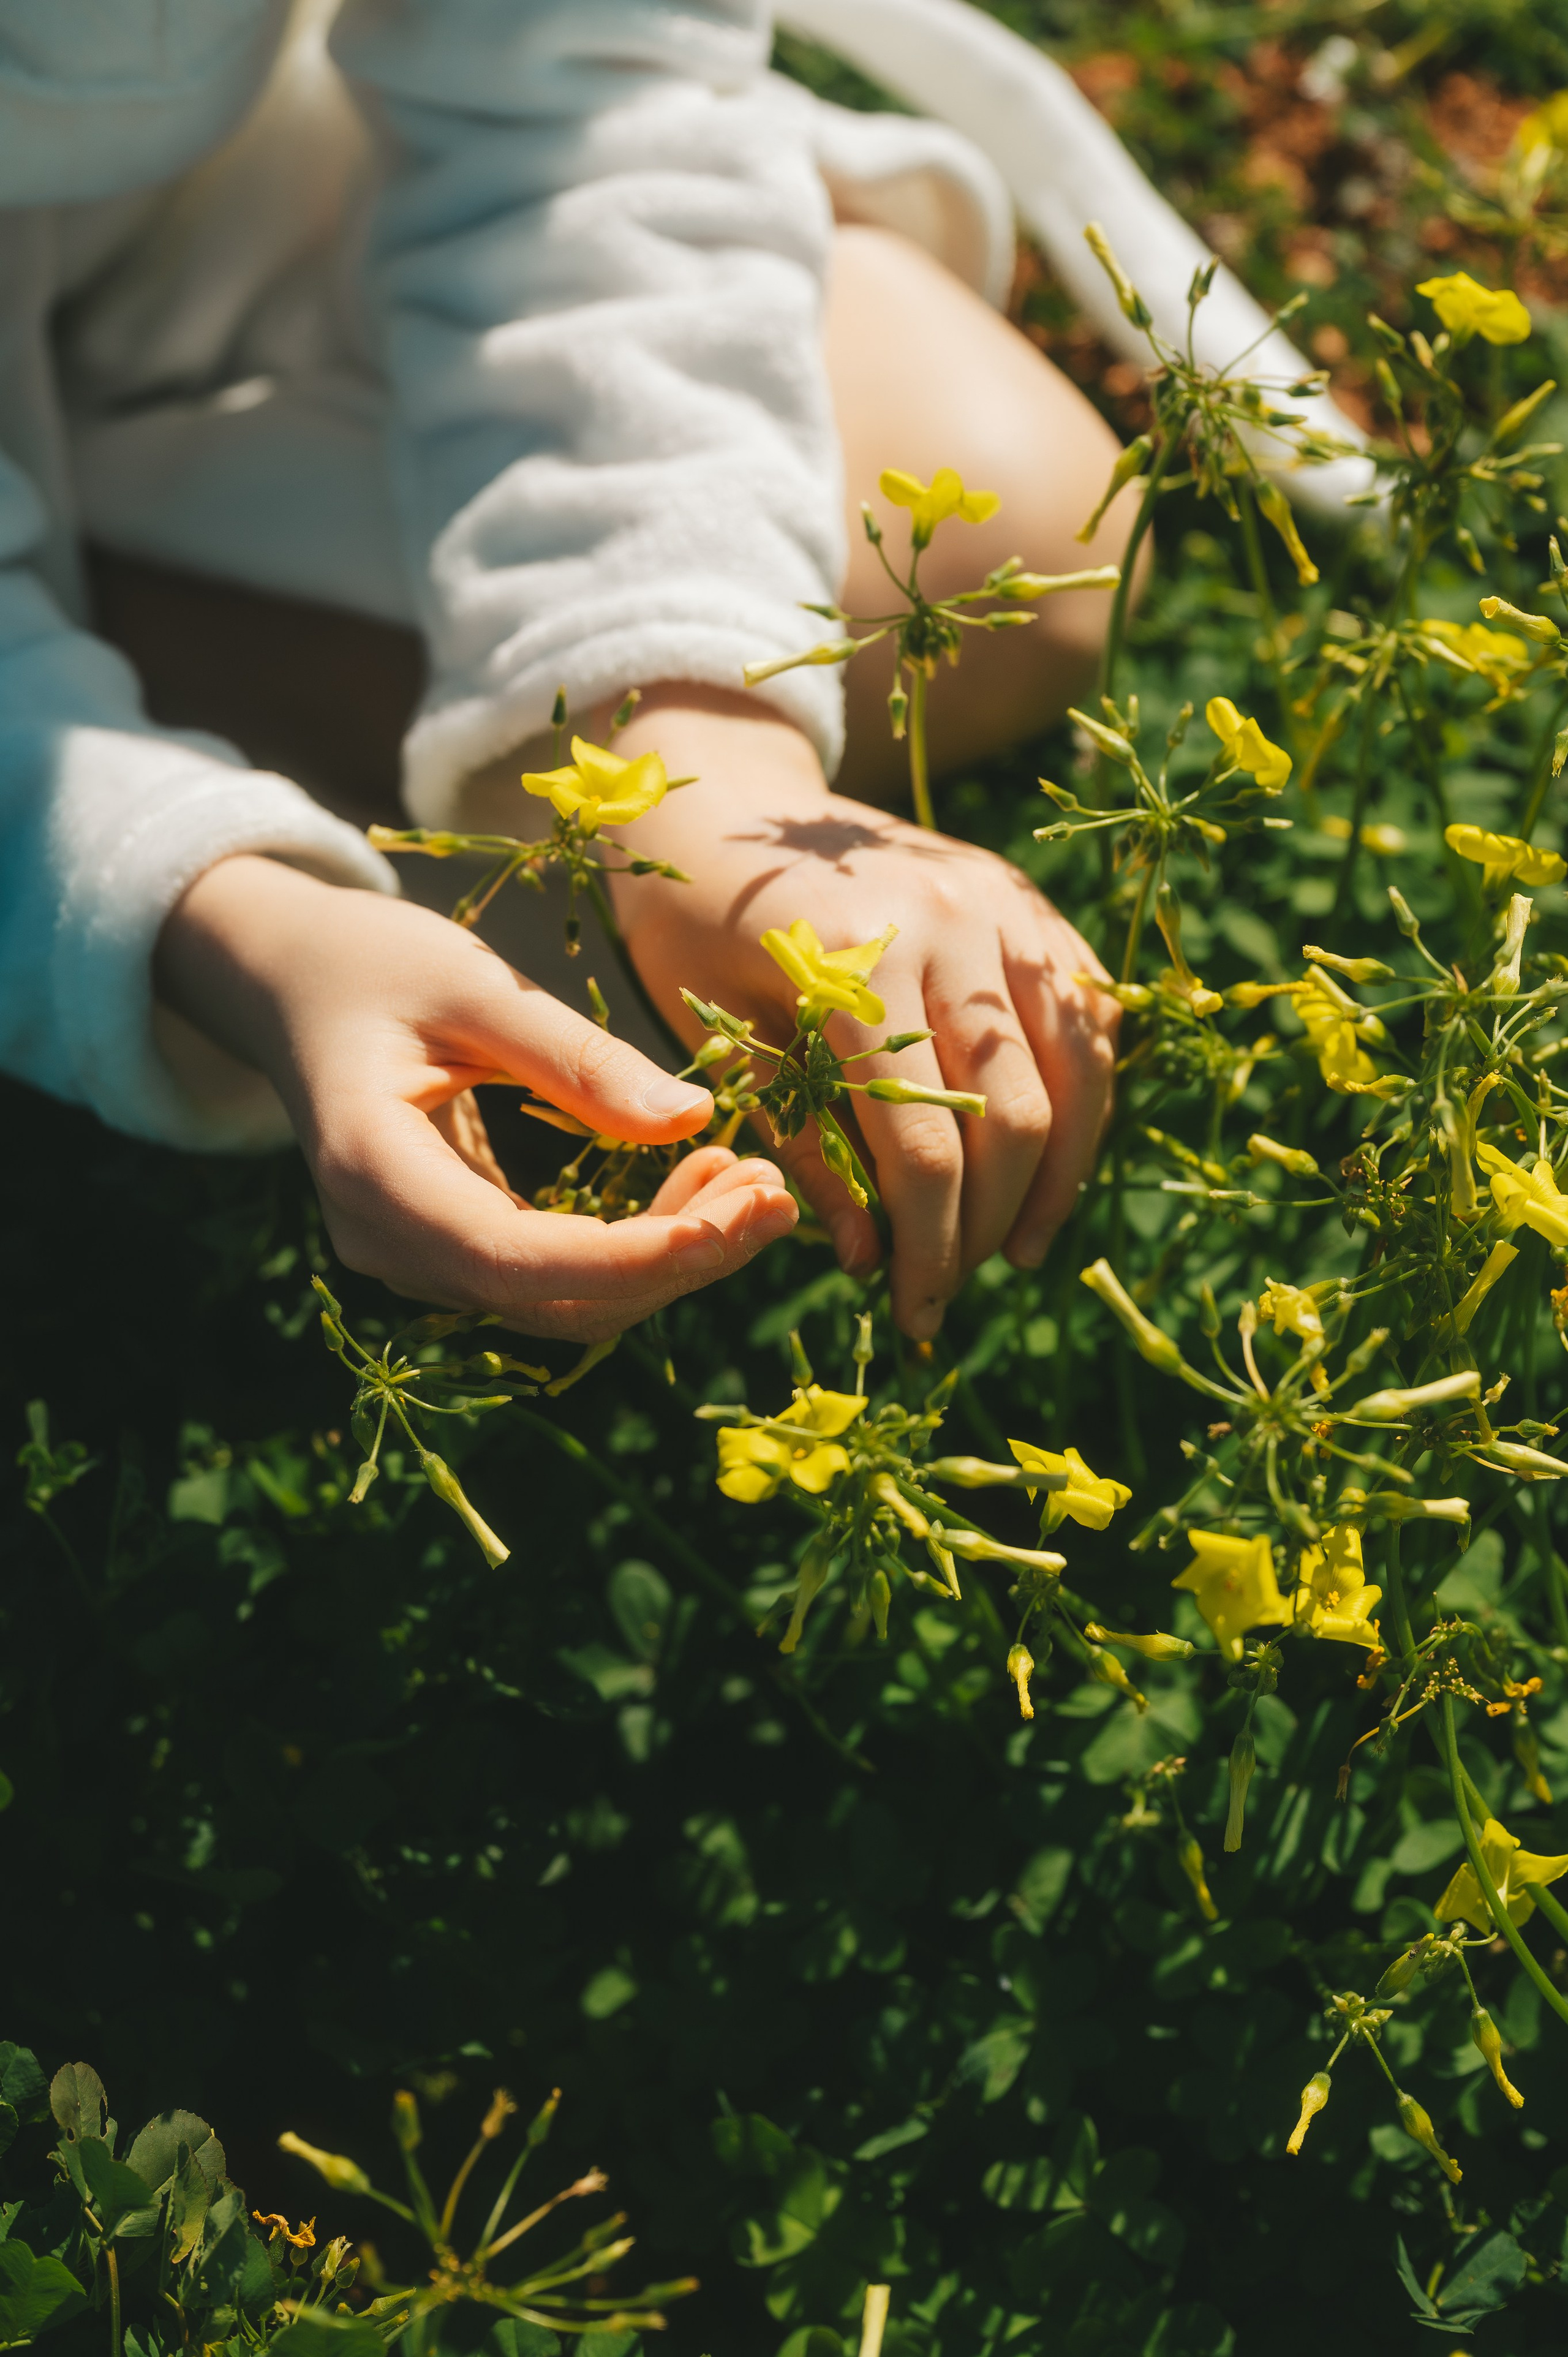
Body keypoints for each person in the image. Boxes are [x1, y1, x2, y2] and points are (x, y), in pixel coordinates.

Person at [0, 0, 1142, 1345]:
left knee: (997, 542)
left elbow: (583, 93)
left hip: (270, 218)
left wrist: (701, 756)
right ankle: (149, 764)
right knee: (488, 950)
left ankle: (181, 679)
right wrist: (242, 930)